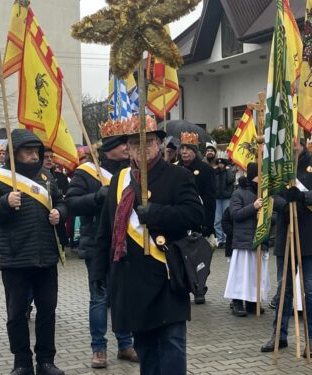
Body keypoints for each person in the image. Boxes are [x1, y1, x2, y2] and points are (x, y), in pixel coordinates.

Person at [92, 116, 203, 374]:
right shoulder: (119, 182)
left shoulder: (178, 176)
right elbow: (105, 232)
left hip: (167, 275)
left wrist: (156, 213)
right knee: (146, 349)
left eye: (149, 141)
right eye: (135, 143)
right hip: (132, 279)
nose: (142, 148)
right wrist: (98, 270)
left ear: (160, 145)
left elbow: (195, 216)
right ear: (128, 148)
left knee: (172, 345)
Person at [0, 129, 67, 375]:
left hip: (46, 255)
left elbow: (62, 201)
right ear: (14, 153)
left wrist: (60, 213)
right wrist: (4, 203)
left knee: (47, 311)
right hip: (15, 256)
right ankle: (21, 362)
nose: (33, 155)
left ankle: (46, 361)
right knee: (16, 313)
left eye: (36, 151)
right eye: (27, 151)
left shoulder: (47, 177)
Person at [66, 129, 138, 369]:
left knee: (124, 295)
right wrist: (97, 197)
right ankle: (99, 349)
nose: (128, 148)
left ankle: (125, 344)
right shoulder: (86, 172)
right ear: (109, 149)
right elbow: (72, 204)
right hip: (97, 243)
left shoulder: (132, 171)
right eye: (122, 144)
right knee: (99, 297)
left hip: (127, 243)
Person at [261, 138, 312, 357]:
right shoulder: (278, 166)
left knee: (311, 289)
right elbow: (270, 192)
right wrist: (285, 204)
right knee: (284, 289)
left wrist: (303, 197)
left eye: (293, 143)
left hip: (310, 236)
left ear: (301, 143)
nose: (290, 148)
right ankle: (279, 335)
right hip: (287, 234)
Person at [224, 162, 268, 317]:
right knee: (241, 274)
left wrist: (264, 216)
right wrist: (253, 207)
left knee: (254, 274)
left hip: (259, 240)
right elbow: (234, 214)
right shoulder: (239, 193)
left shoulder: (264, 193)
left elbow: (273, 217)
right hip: (243, 240)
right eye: (259, 175)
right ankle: (237, 302)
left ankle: (252, 302)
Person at [177, 131, 216, 304]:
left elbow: (210, 198)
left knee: (200, 257)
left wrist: (207, 223)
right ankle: (185, 285)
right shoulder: (175, 168)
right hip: (180, 219)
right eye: (182, 148)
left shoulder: (205, 169)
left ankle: (200, 287)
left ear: (195, 150)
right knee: (182, 256)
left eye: (188, 148)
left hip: (199, 219)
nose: (184, 152)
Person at [43, 148, 70, 249]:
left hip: (57, 215)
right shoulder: (34, 177)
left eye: (51, 157)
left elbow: (67, 193)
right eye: (46, 157)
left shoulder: (61, 177)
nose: (49, 159)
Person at [212, 153, 235, 249]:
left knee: (226, 218)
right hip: (217, 198)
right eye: (219, 163)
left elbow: (231, 180)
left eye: (222, 163)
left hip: (226, 197)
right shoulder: (215, 173)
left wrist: (228, 170)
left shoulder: (228, 172)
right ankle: (220, 239)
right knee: (217, 220)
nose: (220, 165)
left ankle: (226, 239)